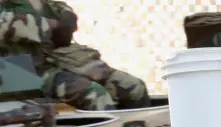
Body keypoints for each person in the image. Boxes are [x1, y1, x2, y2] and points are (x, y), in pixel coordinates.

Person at [0, 0, 150, 110]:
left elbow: (58, 7)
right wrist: (53, 27)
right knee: (95, 95)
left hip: (62, 60)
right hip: (21, 72)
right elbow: (7, 23)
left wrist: (68, 14)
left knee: (134, 87)